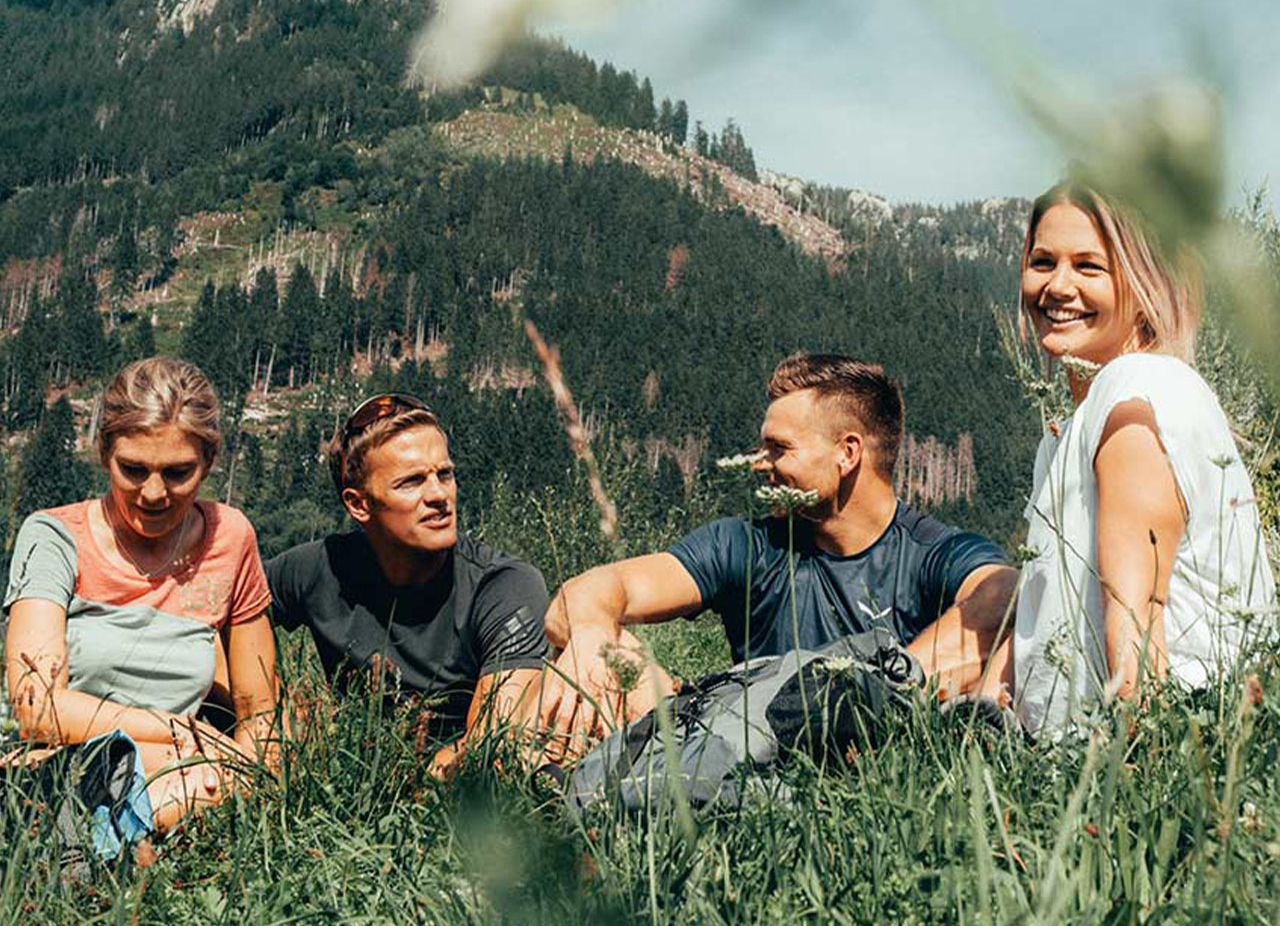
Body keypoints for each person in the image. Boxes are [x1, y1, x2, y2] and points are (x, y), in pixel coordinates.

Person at [541, 351, 1019, 757]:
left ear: (847, 453)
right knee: (603, 648)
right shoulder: (746, 545)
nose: (759, 463)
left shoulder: (931, 552)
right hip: (740, 749)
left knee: (1015, 636)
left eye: (778, 448)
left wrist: (866, 694)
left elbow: (1004, 591)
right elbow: (585, 594)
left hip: (875, 755)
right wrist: (588, 634)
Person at [997, 184, 1276, 739]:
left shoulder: (1135, 394)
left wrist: (1133, 792)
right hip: (1077, 769)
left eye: (1090, 267)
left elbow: (1137, 625)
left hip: (1156, 761)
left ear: (1142, 280)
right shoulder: (1074, 426)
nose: (1058, 286)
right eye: (1043, 262)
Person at [3, 357, 278, 842]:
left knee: (199, 785)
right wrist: (176, 733)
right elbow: (38, 709)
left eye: (178, 473)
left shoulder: (229, 539)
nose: (153, 493)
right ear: (103, 454)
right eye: (133, 470)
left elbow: (260, 710)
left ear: (208, 464)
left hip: (191, 770)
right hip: (68, 762)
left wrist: (250, 774)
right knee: (181, 784)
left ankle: (92, 853)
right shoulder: (54, 537)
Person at [264, 393, 551, 773]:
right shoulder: (316, 568)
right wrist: (270, 717)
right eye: (411, 482)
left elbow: (493, 743)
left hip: (461, 801)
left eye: (444, 474)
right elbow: (221, 620)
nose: (438, 496)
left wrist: (394, 787)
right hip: (348, 773)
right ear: (359, 504)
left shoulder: (503, 586)